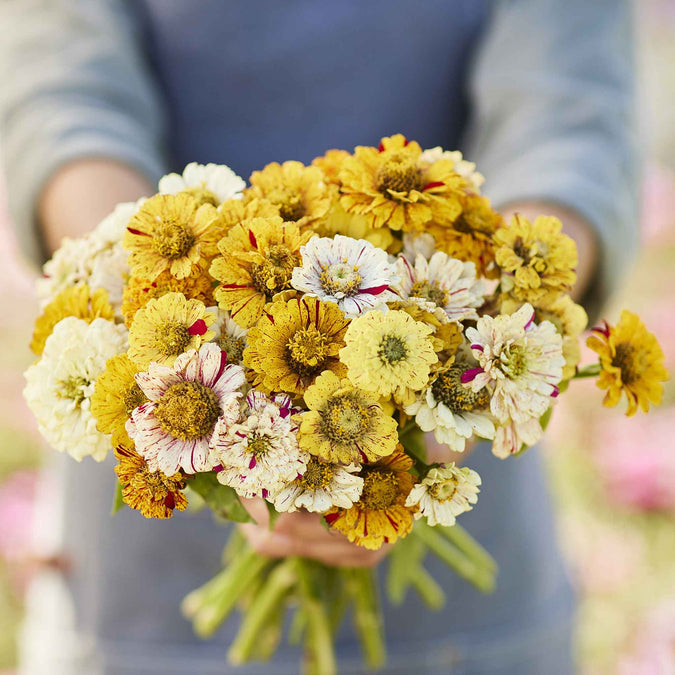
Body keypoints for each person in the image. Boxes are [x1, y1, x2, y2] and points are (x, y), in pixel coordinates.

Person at [0, 1, 638, 673]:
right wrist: (171, 328)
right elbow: (63, 99)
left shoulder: (451, 371)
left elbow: (567, 126)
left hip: (448, 470)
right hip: (148, 546)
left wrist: (467, 362)